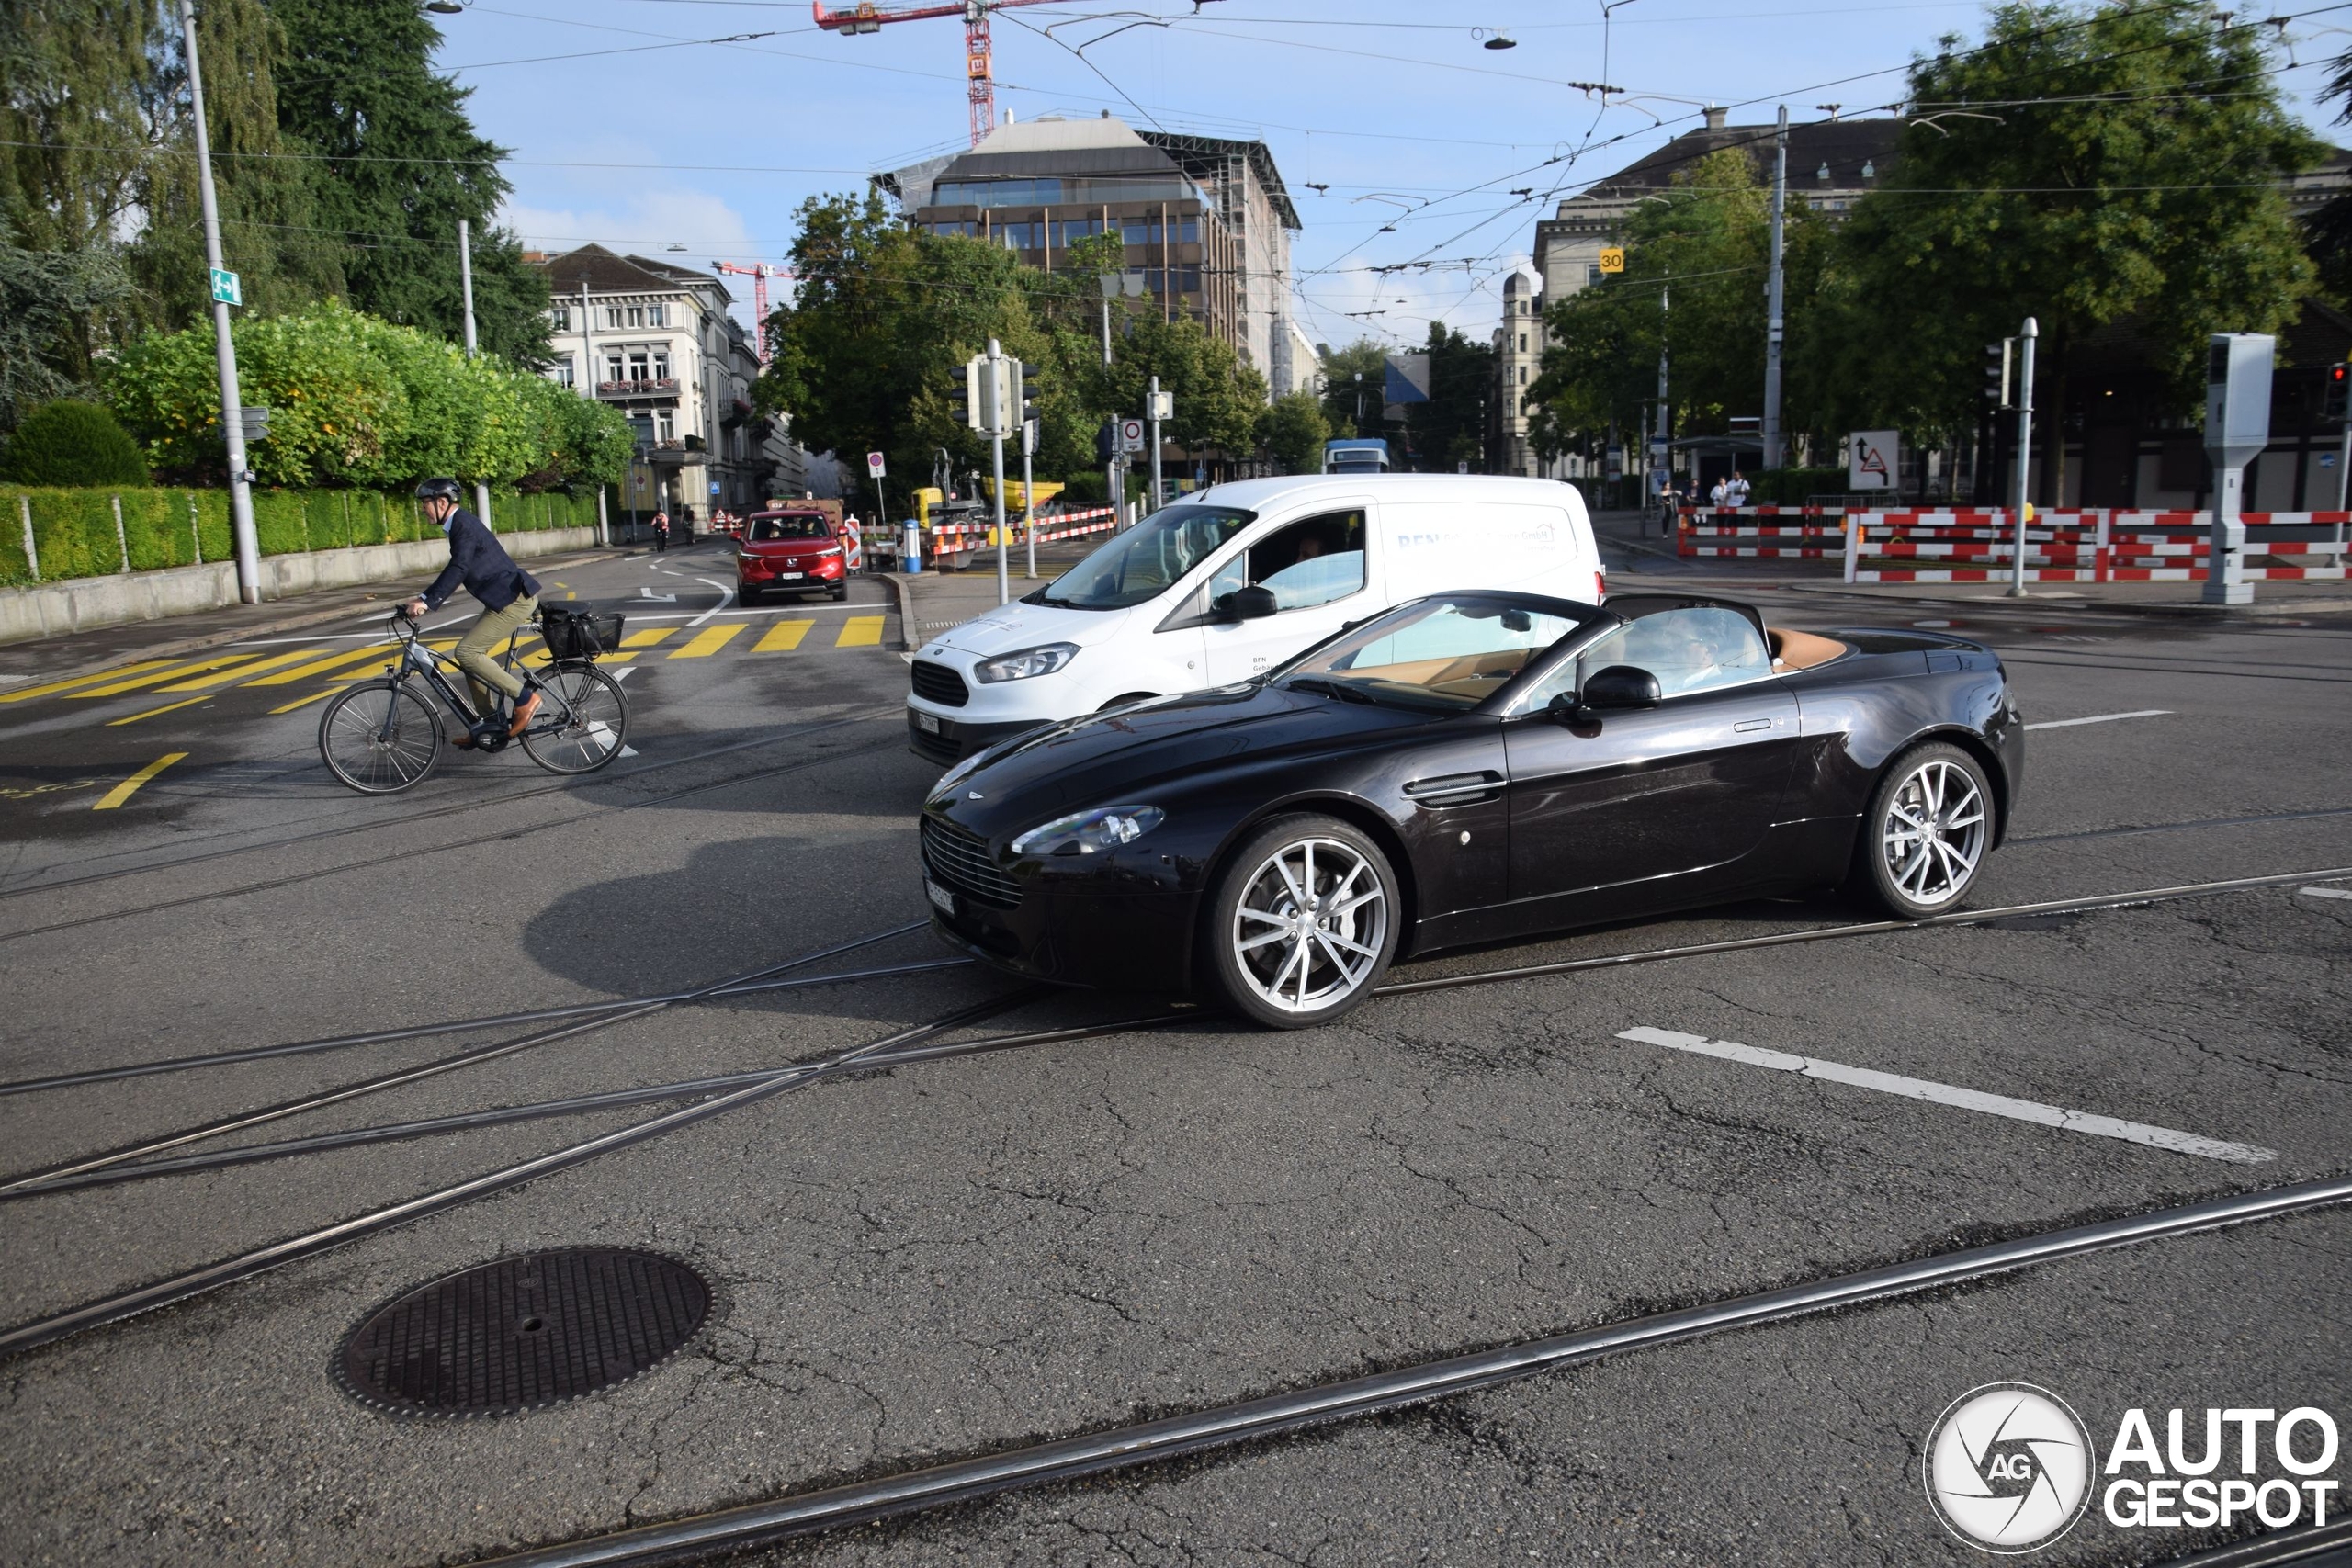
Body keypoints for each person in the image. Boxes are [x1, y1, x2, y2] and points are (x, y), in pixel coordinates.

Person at [402, 478, 543, 743]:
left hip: (512, 601)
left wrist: (428, 602)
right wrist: (423, 597)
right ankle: (490, 725)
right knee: (470, 658)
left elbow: (459, 568)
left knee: (466, 652)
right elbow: (456, 567)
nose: (423, 510)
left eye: (425, 504)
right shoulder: (459, 525)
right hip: (504, 599)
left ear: (441, 502)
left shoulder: (462, 526)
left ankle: (525, 698)